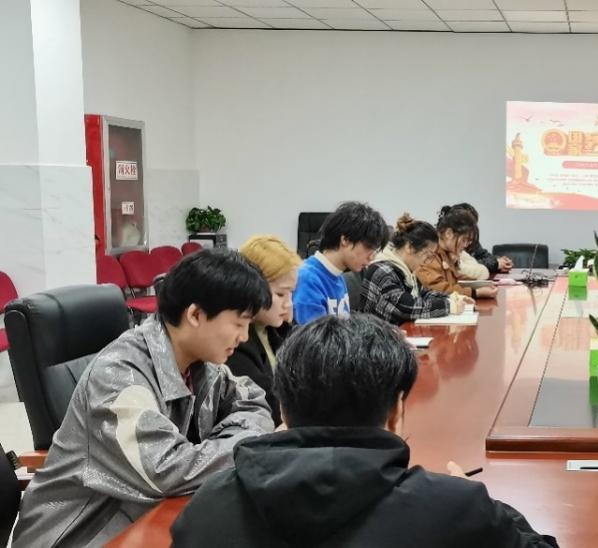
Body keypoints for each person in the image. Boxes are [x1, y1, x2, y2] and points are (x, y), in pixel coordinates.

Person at [170, 314, 558, 547]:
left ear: (283, 410)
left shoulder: (207, 509)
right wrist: (483, 502)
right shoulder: (456, 509)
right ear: (397, 412)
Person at [12, 250, 275, 546]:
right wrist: (246, 445)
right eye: (239, 324)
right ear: (195, 315)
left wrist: (227, 444)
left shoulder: (202, 364)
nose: (244, 337)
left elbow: (254, 401)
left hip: (141, 517)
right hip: (79, 535)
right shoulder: (118, 375)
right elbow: (165, 471)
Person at [226, 235, 302, 426]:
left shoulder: (273, 329)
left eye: (291, 293)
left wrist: (288, 326)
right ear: (253, 287)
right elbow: (272, 405)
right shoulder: (237, 342)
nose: (289, 303)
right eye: (280, 294)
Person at [360, 213, 472, 325]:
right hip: (379, 334)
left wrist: (453, 298)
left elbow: (424, 294)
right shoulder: (382, 271)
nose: (427, 262)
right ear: (409, 247)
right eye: (427, 256)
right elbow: (406, 307)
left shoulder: (406, 271)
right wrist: (449, 305)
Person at [293, 201, 389, 324]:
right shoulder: (308, 279)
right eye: (368, 247)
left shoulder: (337, 274)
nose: (371, 257)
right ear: (345, 240)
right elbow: (314, 336)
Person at [418, 207, 498, 300]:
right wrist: (476, 293)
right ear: (448, 233)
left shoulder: (446, 253)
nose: (465, 245)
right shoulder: (430, 253)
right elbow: (438, 288)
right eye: (464, 240)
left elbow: (455, 280)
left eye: (468, 241)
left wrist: (481, 285)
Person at [447, 203, 512, 276]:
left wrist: (499, 260)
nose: (466, 244)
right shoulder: (445, 245)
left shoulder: (472, 241)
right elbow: (465, 266)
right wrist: (495, 263)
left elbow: (483, 256)